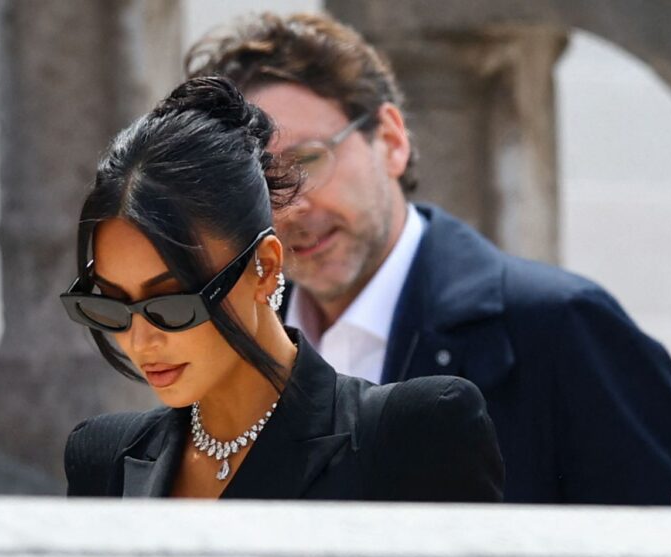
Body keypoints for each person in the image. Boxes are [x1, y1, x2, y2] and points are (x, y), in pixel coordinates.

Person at [185, 13, 671, 505]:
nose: (292, 206)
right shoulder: (230, 346)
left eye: (308, 159)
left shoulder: (561, 326)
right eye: (259, 183)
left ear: (391, 140)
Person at [60, 76, 503, 501]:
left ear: (266, 268)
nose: (140, 341)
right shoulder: (104, 458)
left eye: (172, 306)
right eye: (112, 306)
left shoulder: (414, 434)